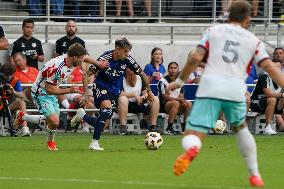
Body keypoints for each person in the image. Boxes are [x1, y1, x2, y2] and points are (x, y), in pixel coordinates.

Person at [166, 1, 284, 187]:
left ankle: (192, 150)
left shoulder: (213, 31)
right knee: (240, 128)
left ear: (228, 16)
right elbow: (268, 66)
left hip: (210, 86)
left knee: (193, 132)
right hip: (235, 89)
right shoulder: (253, 40)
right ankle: (254, 174)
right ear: (247, 19)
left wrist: (179, 81)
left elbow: (196, 57)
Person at [14, 43, 108, 151]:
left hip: (53, 91)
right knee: (54, 121)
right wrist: (70, 89)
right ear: (75, 57)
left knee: (52, 121)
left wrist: (98, 63)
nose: (82, 60)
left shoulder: (72, 59)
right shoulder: (57, 68)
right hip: (41, 92)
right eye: (81, 58)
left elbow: (86, 57)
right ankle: (51, 142)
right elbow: (49, 89)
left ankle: (22, 116)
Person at [71, 37, 153, 151]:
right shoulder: (105, 58)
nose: (127, 54)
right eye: (125, 51)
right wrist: (85, 94)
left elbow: (143, 74)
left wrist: (149, 92)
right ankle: (94, 143)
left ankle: (82, 116)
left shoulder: (128, 59)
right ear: (117, 49)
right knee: (107, 109)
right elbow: (86, 74)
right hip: (101, 86)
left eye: (128, 51)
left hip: (115, 92)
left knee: (102, 124)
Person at [118, 68, 159, 134]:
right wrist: (134, 95)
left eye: (132, 70)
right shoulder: (120, 79)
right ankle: (123, 127)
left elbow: (145, 92)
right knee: (123, 99)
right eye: (129, 70)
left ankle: (153, 127)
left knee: (155, 99)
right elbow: (119, 93)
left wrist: (143, 96)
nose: (131, 72)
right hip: (125, 105)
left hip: (138, 103)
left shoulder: (140, 78)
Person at [250, 59, 284, 135]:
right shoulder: (264, 76)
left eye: (278, 67)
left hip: (271, 104)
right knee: (272, 99)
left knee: (275, 100)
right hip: (256, 103)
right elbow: (268, 94)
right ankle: (267, 127)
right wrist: (282, 95)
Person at [158, 62, 192, 134]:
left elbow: (181, 95)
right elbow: (164, 96)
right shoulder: (163, 81)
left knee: (188, 104)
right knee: (175, 103)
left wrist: (182, 100)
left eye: (175, 68)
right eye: (171, 68)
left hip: (176, 104)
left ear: (178, 69)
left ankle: (184, 128)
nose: (173, 70)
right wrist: (178, 100)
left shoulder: (180, 81)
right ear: (168, 70)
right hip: (164, 105)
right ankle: (169, 128)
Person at [0, 63, 30, 136]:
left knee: (21, 103)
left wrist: (13, 91)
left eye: (9, 75)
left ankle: (25, 129)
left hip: (7, 106)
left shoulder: (15, 80)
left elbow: (22, 96)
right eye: (5, 75)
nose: (7, 77)